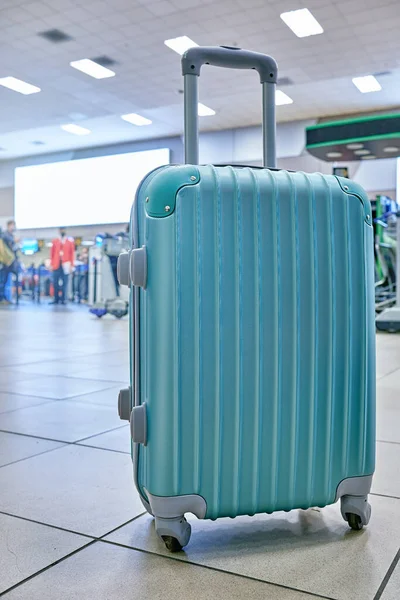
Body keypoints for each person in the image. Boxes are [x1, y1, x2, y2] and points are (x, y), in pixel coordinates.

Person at [50, 227, 75, 305]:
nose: (62, 231)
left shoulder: (70, 242)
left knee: (65, 283)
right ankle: (56, 299)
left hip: (66, 265)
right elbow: (52, 254)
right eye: (61, 230)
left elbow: (72, 254)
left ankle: (64, 299)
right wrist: (51, 264)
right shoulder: (55, 241)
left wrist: (72, 265)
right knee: (55, 283)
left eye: (63, 230)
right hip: (56, 264)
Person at [0, 220, 19, 304]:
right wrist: (14, 240)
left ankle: (6, 298)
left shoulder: (12, 236)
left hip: (11, 262)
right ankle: (1, 298)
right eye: (12, 225)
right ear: (8, 225)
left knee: (7, 281)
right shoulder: (5, 235)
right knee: (2, 281)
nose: (13, 227)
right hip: (4, 262)